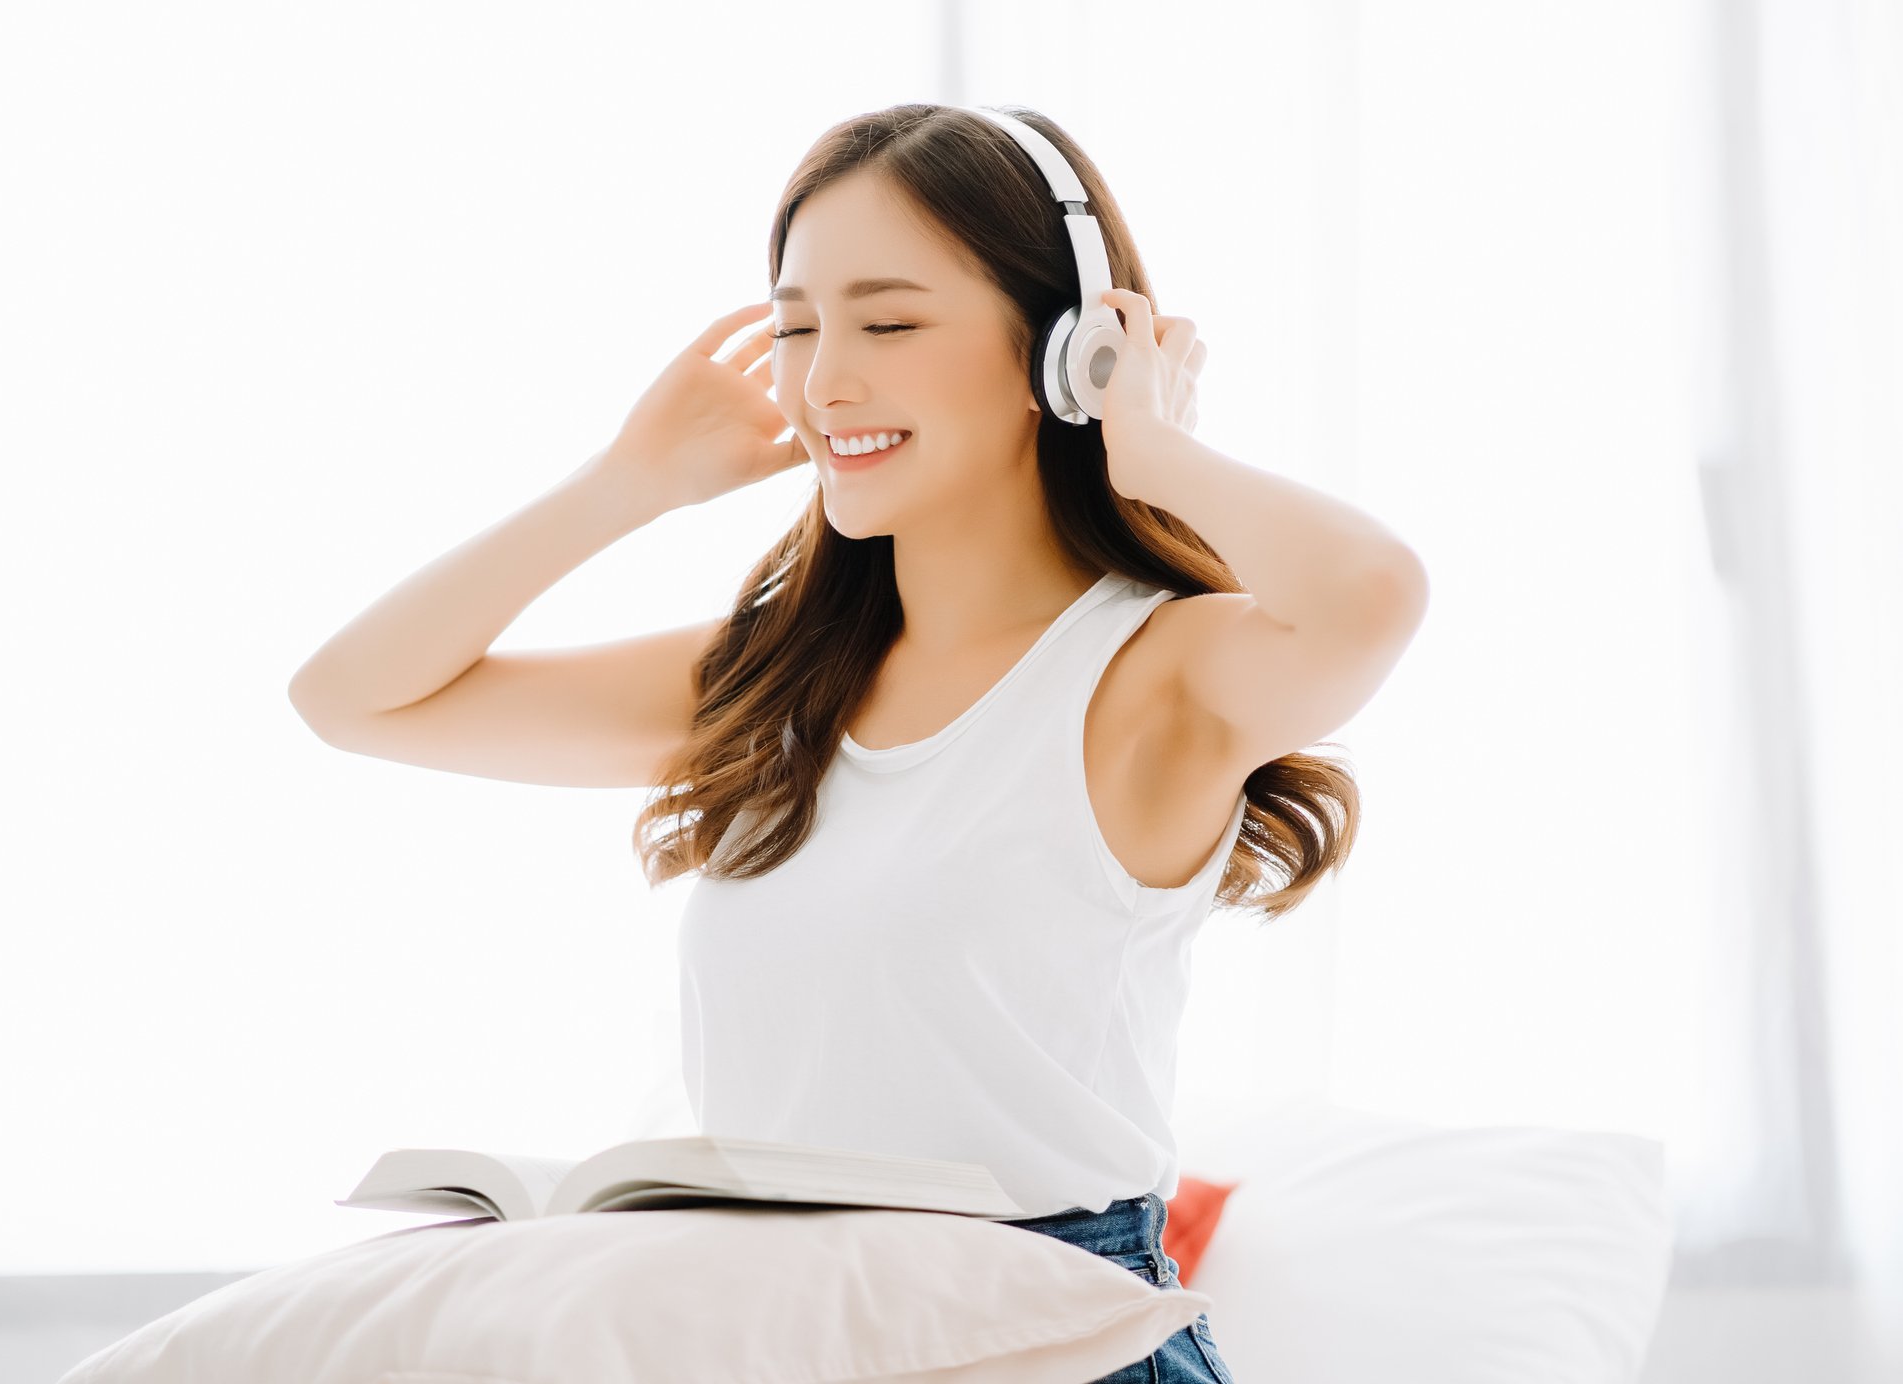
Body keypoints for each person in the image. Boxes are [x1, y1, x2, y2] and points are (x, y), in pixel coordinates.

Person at [287, 103, 1427, 1384]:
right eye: (793, 326)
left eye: (885, 322)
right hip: (789, 1334)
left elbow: (1370, 594)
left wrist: (1151, 447)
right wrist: (623, 483)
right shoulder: (775, 681)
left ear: (1066, 352)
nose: (821, 379)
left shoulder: (1147, 675)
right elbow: (351, 698)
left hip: (1049, 1336)